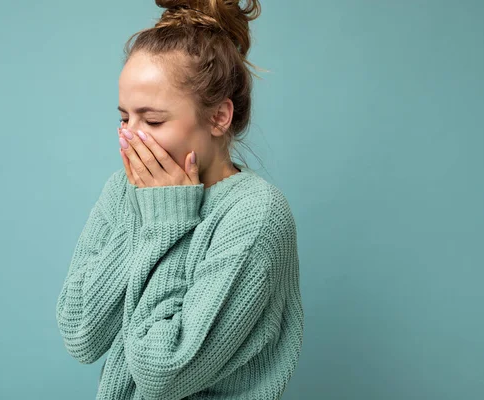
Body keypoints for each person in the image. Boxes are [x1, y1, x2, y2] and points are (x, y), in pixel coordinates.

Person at [55, 1, 304, 399]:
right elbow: (82, 334)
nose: (130, 137)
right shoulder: (123, 191)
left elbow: (161, 372)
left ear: (219, 117)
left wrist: (167, 224)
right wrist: (149, 213)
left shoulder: (256, 215)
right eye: (124, 118)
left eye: (152, 120)